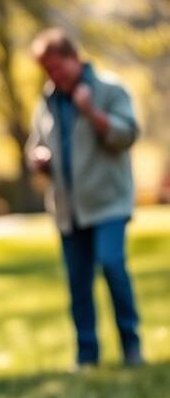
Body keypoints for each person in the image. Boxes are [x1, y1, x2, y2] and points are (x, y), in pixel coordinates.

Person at [26, 28, 143, 369]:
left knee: (111, 265)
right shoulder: (46, 101)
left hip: (108, 201)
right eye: (47, 70)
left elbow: (127, 135)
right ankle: (87, 355)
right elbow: (35, 143)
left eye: (57, 67)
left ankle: (130, 345)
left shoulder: (109, 89)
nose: (53, 76)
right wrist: (38, 158)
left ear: (74, 58)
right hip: (68, 208)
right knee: (78, 283)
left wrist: (91, 112)